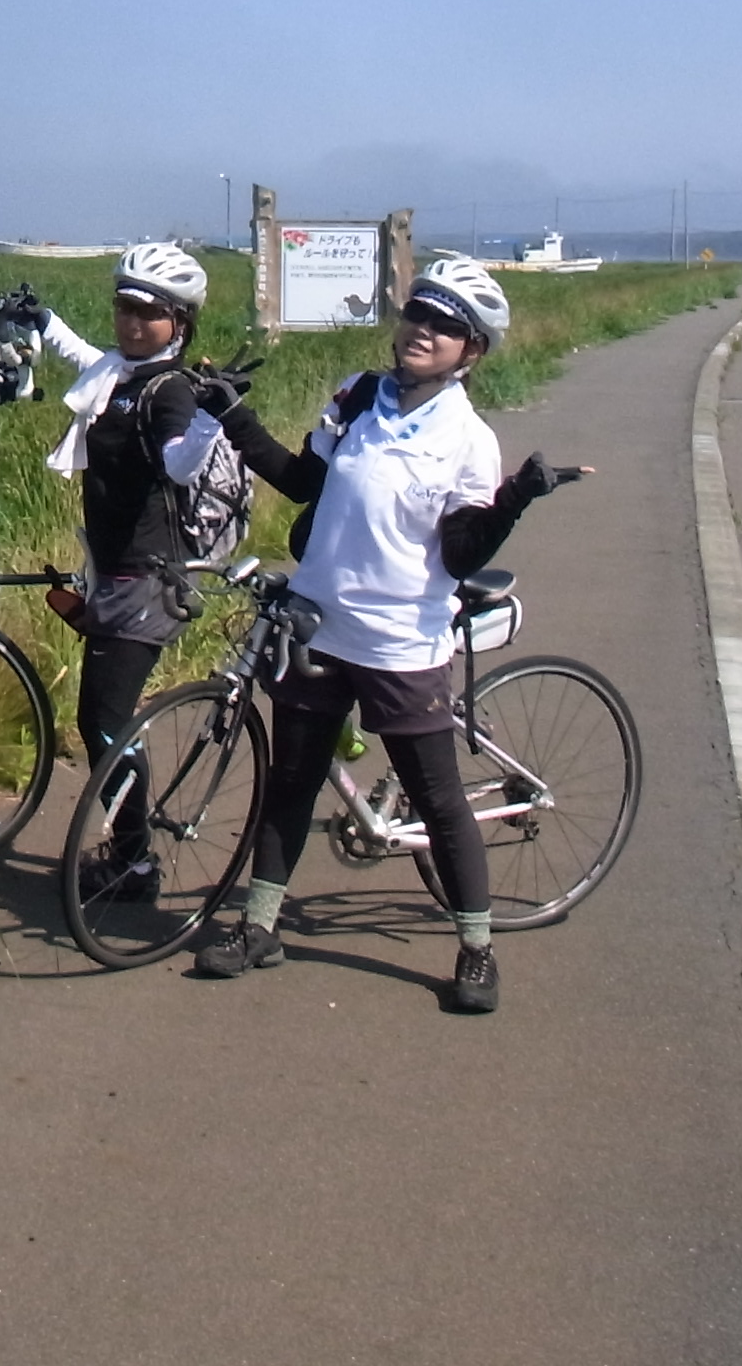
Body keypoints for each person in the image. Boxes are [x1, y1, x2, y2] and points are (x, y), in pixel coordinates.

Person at [187, 253, 580, 1011]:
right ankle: (259, 925)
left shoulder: (469, 439)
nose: (422, 332)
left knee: (436, 796)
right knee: (292, 782)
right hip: (317, 623)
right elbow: (304, 481)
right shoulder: (360, 396)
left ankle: (476, 948)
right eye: (417, 315)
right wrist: (235, 416)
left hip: (400, 640)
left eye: (446, 326)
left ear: (473, 351)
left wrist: (514, 501)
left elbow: (460, 551)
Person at [27, 241, 239, 900]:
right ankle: (131, 852)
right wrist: (45, 322)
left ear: (181, 323)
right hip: (118, 571)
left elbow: (179, 464)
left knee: (106, 721)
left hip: (147, 580)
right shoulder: (125, 375)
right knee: (104, 719)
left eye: (150, 313)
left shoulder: (171, 390)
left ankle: (135, 860)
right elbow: (89, 361)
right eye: (124, 306)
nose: (131, 322)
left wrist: (208, 420)